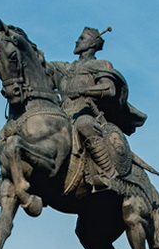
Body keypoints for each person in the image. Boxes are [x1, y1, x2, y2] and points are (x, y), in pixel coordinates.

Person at [49, 27, 149, 192]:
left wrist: (84, 91)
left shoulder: (101, 65)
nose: (77, 41)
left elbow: (109, 89)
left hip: (85, 114)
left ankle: (107, 174)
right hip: (63, 115)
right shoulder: (65, 68)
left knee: (85, 125)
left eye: (81, 39)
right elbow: (41, 66)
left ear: (91, 43)